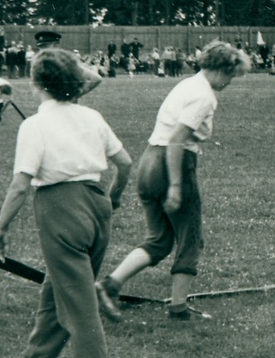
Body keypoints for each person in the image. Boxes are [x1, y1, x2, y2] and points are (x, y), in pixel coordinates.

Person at [0, 48, 132, 358]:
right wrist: (112, 198)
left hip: (59, 207)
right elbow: (125, 163)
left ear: (37, 83)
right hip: (96, 201)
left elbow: (21, 185)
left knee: (79, 301)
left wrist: (1, 229)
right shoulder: (91, 115)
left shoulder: (35, 125)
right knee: (59, 288)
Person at [97, 41, 251, 322]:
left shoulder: (187, 84)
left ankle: (109, 284)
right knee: (190, 238)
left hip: (148, 161)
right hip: (173, 163)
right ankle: (179, 307)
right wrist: (177, 186)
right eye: (231, 75)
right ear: (222, 69)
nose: (230, 82)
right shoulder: (203, 95)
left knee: (159, 239)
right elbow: (177, 139)